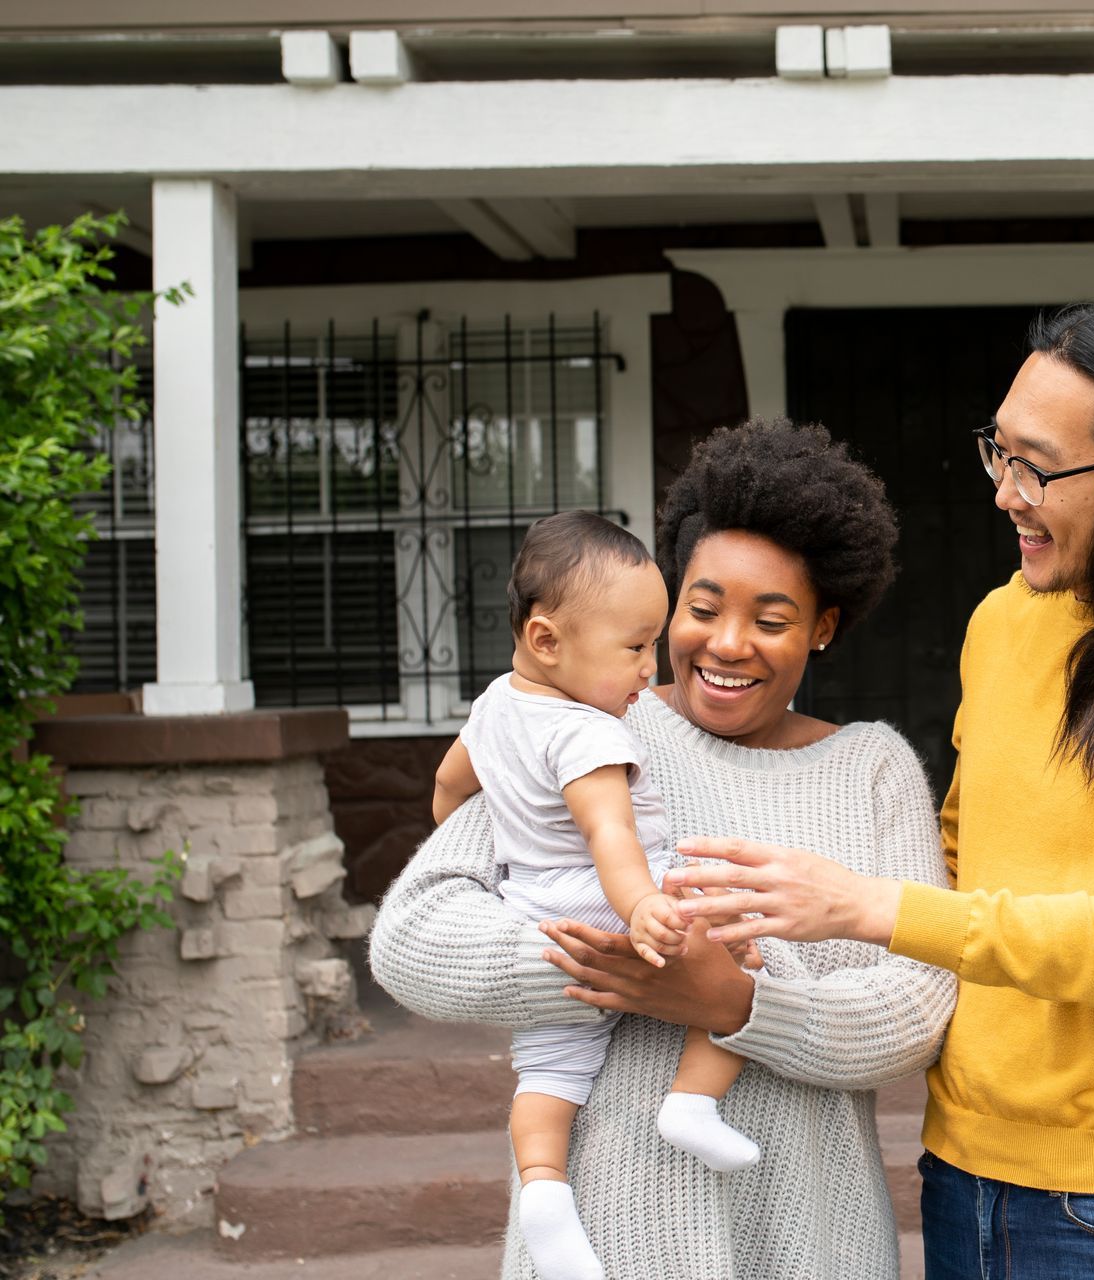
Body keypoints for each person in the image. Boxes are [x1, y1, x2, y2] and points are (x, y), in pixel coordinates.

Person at [661, 305, 1094, 1280]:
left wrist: (862, 904)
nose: (1006, 494)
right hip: (961, 1172)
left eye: (1040, 467)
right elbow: (961, 856)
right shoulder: (1003, 621)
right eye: (998, 453)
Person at [369, 419, 956, 1280]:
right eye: (704, 607)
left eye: (772, 618)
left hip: (812, 1238)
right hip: (614, 1236)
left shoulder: (872, 769)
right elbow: (412, 939)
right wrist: (620, 965)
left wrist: (739, 1002)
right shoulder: (586, 723)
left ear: (824, 627)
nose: (725, 644)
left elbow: (919, 1011)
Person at [428, 511, 761, 1280]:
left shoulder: (492, 709)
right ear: (548, 640)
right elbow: (612, 835)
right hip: (611, 902)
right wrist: (644, 905)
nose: (650, 667)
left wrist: (490, 848)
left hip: (539, 921)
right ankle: (692, 1102)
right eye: (635, 647)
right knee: (748, 954)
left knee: (547, 1075)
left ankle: (545, 1193)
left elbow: (447, 792)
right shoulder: (587, 732)